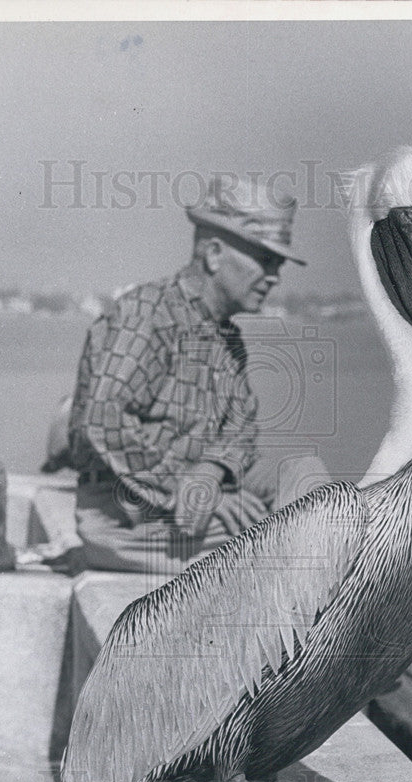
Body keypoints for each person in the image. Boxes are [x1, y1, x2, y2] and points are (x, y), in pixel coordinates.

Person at [68, 174, 329, 574]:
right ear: (213, 254)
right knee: (295, 539)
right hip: (124, 515)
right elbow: (105, 420)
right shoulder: (147, 315)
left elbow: (241, 432)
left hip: (186, 501)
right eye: (266, 260)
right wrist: (195, 489)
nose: (275, 276)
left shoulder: (228, 339)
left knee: (306, 481)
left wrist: (210, 473)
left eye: (278, 263)